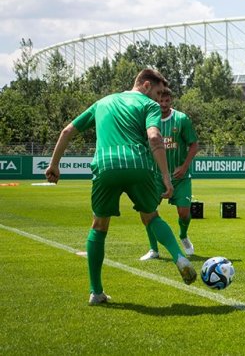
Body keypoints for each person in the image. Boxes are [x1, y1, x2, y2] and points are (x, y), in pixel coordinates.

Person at [45, 69, 196, 305]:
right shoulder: (149, 105)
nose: (159, 99)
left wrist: (54, 164)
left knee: (99, 225)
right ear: (146, 85)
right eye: (158, 93)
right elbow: (154, 138)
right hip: (139, 166)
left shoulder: (102, 102)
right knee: (151, 216)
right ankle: (179, 257)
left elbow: (67, 131)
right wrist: (166, 177)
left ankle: (96, 292)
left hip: (105, 166)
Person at [140, 87, 200, 261]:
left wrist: (184, 167)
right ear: (155, 101)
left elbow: (194, 144)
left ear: (171, 101)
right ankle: (153, 249)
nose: (163, 104)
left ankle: (183, 235)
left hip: (180, 177)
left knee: (184, 213)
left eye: (167, 101)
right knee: (147, 211)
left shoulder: (181, 119)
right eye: (160, 101)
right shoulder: (148, 120)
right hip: (155, 176)